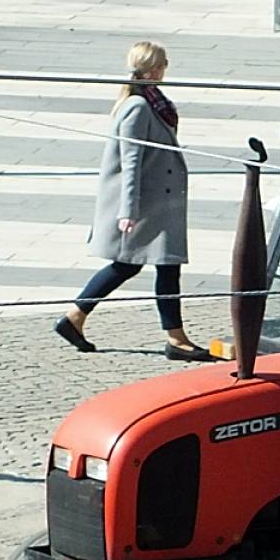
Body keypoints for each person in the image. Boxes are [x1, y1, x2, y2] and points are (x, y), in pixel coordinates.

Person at [54, 41, 210, 361]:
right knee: (146, 265)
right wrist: (128, 211)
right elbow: (130, 161)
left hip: (157, 200)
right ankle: (175, 340)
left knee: (143, 266)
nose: (167, 67)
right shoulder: (139, 106)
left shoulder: (149, 101)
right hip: (148, 203)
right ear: (153, 70)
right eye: (165, 63)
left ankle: (77, 318)